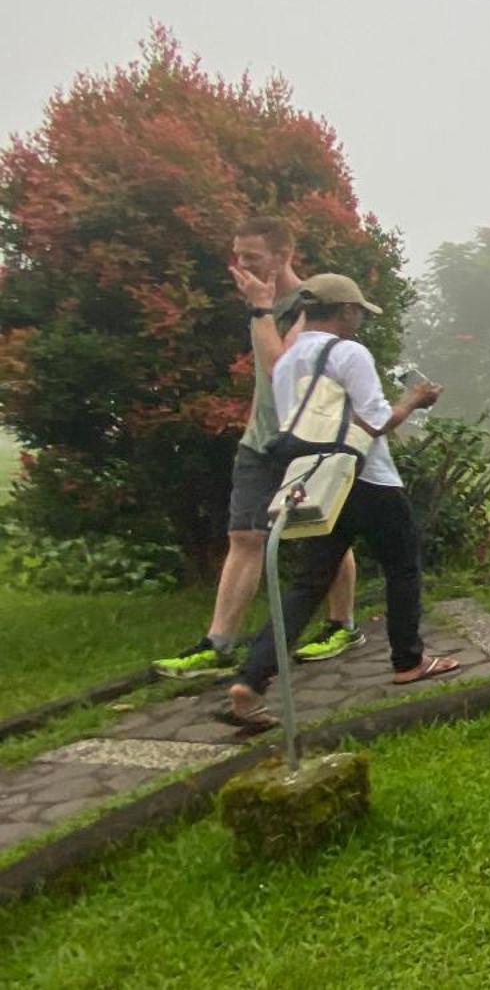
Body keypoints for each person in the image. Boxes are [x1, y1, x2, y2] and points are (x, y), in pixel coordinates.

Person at [220, 274, 452, 729]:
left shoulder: (287, 363)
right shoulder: (350, 353)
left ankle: (251, 679)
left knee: (309, 583)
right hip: (368, 478)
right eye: (359, 311)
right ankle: (409, 660)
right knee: (402, 566)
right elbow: (378, 422)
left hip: (319, 482)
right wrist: (416, 399)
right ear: (344, 310)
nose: (362, 319)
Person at [154, 218, 360, 679]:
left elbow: (280, 370)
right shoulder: (264, 306)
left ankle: (341, 624)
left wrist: (260, 310)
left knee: (324, 532)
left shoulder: (310, 304)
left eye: (252, 257)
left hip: (309, 438)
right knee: (245, 537)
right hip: (261, 439)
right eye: (238, 255)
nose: (241, 265)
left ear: (283, 253)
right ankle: (218, 642)